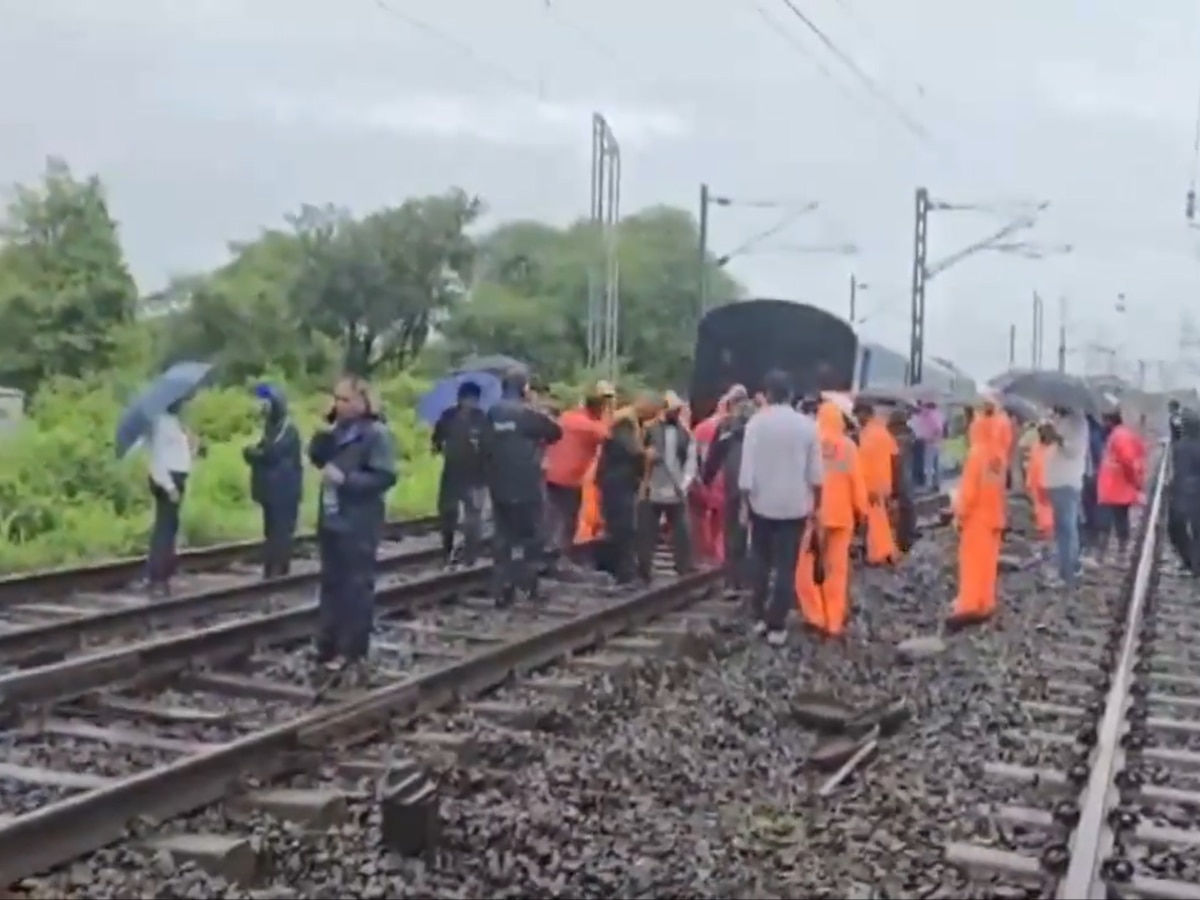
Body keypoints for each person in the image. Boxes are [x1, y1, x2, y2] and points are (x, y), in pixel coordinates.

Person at [308, 376, 397, 673]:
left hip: (359, 520)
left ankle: (353, 648)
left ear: (362, 402)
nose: (339, 404)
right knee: (331, 582)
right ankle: (327, 643)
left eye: (345, 399)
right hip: (332, 518)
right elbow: (318, 459)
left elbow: (384, 476)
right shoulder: (336, 432)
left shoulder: (376, 434)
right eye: (337, 398)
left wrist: (348, 480)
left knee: (357, 585)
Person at [738, 369, 824, 646]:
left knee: (760, 561)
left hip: (761, 503)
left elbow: (746, 471)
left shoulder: (756, 423)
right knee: (787, 566)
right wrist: (816, 505)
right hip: (795, 505)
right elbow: (816, 475)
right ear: (790, 394)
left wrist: (744, 503)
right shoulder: (808, 426)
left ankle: (759, 615)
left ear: (768, 393)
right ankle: (777, 625)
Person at [484, 368, 562, 605]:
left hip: (499, 483)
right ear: (524, 388)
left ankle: (502, 587)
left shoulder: (493, 412)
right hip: (527, 483)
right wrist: (538, 407)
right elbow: (555, 432)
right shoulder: (529, 414)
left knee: (503, 536)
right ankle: (528, 585)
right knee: (531, 535)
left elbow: (486, 444)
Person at [795, 400, 867, 637]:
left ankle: (815, 615)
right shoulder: (848, 447)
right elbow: (857, 482)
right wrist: (862, 512)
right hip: (841, 516)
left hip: (812, 516)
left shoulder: (809, 443)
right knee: (837, 570)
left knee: (804, 569)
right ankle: (834, 621)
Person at [949, 409, 1007, 628]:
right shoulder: (997, 456)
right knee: (988, 565)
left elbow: (969, 492)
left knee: (972, 563)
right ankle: (985, 602)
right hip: (994, 516)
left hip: (977, 520)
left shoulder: (977, 454)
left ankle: (969, 604)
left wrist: (958, 512)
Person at [596, 395, 660, 583]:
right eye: (653, 413)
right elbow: (630, 449)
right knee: (623, 528)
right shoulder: (624, 422)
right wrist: (646, 453)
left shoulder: (634, 422)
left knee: (624, 527)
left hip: (623, 481)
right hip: (617, 481)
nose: (653, 418)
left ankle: (624, 571)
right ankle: (623, 573)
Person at [543, 384, 610, 557]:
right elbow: (609, 436)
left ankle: (547, 554)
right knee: (567, 520)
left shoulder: (567, 416)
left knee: (550, 517)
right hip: (569, 479)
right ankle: (560, 557)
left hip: (549, 474)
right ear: (598, 408)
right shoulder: (592, 427)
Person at [243, 383, 302, 578]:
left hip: (284, 490)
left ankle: (279, 570)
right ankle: (271, 568)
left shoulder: (287, 429)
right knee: (271, 531)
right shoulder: (271, 427)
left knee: (281, 532)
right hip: (271, 491)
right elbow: (262, 450)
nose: (263, 406)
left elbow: (271, 453)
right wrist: (252, 452)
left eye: (267, 402)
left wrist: (254, 453)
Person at [431, 380, 490, 567]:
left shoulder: (482, 419)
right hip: (452, 472)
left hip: (476, 474)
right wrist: (438, 446)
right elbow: (437, 438)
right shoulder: (448, 416)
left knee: (473, 517)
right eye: (467, 399)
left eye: (474, 399)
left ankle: (470, 554)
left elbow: (490, 446)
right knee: (447, 513)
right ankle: (446, 550)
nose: (470, 403)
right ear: (461, 399)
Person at [701, 398, 756, 596]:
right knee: (754, 535)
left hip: (734, 486)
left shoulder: (726, 430)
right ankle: (747, 581)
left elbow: (713, 458)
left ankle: (732, 581)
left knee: (732, 533)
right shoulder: (759, 429)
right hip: (757, 489)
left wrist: (706, 478)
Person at [640, 392, 696, 578]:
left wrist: (685, 484)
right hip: (653, 486)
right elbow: (640, 455)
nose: (676, 413)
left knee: (681, 531)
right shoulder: (648, 429)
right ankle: (644, 568)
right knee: (647, 531)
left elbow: (690, 461)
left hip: (676, 488)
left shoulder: (685, 433)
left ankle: (683, 567)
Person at [145, 398, 195, 597]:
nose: (184, 405)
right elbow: (158, 459)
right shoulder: (162, 424)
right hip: (167, 480)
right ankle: (158, 577)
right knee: (165, 527)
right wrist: (169, 486)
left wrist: (191, 447)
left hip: (175, 478)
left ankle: (163, 572)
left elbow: (177, 453)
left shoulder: (173, 422)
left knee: (169, 526)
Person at [1042, 404, 1089, 589]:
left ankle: (1068, 573)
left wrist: (1058, 437)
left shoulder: (1078, 422)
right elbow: (1048, 443)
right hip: (1056, 481)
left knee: (1067, 529)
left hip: (1067, 481)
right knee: (1064, 529)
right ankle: (1070, 567)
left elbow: (1074, 450)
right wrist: (1047, 430)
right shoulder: (1061, 419)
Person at [854, 400, 900, 566]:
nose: (857, 419)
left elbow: (863, 461)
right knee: (881, 519)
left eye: (858, 415)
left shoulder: (867, 434)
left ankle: (879, 553)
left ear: (866, 413)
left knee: (875, 521)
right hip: (884, 481)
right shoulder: (883, 431)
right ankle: (887, 551)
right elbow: (895, 456)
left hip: (871, 483)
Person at [1096, 408, 1144, 563]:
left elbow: (1128, 461)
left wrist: (1134, 482)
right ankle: (1118, 553)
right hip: (1117, 487)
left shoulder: (1119, 436)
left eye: (1105, 421)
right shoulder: (1121, 434)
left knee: (1111, 520)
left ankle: (1108, 555)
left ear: (1110, 421)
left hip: (1115, 487)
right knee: (1119, 519)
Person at [1169, 411, 1200, 572]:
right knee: (1197, 531)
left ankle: (1189, 560)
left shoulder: (1180, 447)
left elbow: (1178, 472)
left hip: (1183, 493)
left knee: (1175, 529)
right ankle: (1195, 563)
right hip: (1194, 494)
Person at [887, 408, 918, 553]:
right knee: (908, 509)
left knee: (901, 512)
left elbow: (896, 462)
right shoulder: (908, 436)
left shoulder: (897, 440)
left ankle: (902, 541)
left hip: (900, 479)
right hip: (907, 479)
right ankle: (907, 538)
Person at [1025, 422, 1056, 557]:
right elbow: (1032, 466)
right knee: (1042, 516)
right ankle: (1048, 542)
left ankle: (1051, 544)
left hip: (1048, 486)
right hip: (1038, 486)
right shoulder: (1037, 447)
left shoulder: (1053, 449)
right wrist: (1030, 483)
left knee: (1049, 517)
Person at [912, 401, 944, 490]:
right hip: (938, 442)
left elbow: (937, 428)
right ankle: (937, 483)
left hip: (930, 442)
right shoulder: (939, 414)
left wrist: (932, 437)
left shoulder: (929, 415)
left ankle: (929, 484)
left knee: (928, 464)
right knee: (936, 464)